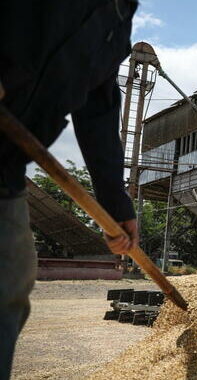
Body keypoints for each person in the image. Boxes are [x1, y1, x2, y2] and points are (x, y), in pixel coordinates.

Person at [0, 1, 138, 378]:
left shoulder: (118, 20)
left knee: (9, 279)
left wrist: (115, 205)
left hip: (6, 165)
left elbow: (98, 110)